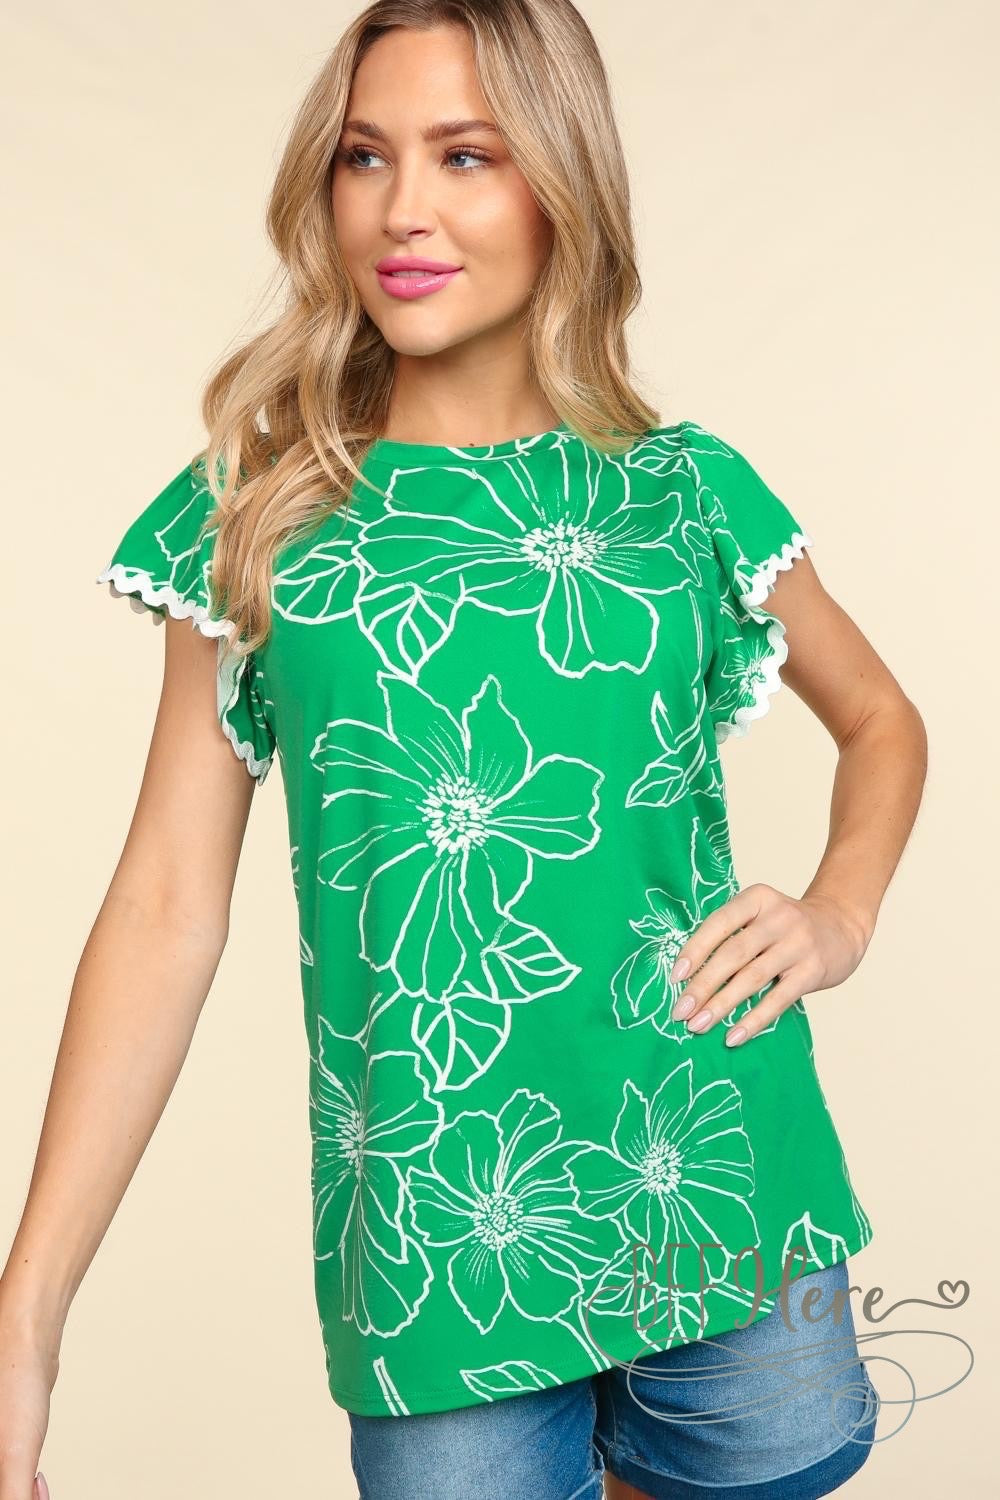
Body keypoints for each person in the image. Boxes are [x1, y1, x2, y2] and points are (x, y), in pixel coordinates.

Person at [0, 2, 927, 1497]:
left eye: (467, 155)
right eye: (365, 157)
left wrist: (839, 913)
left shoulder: (684, 492)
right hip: (438, 1252)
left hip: (723, 1187)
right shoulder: (262, 510)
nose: (402, 210)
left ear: (562, 183)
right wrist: (29, 1308)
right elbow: (167, 906)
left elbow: (882, 718)